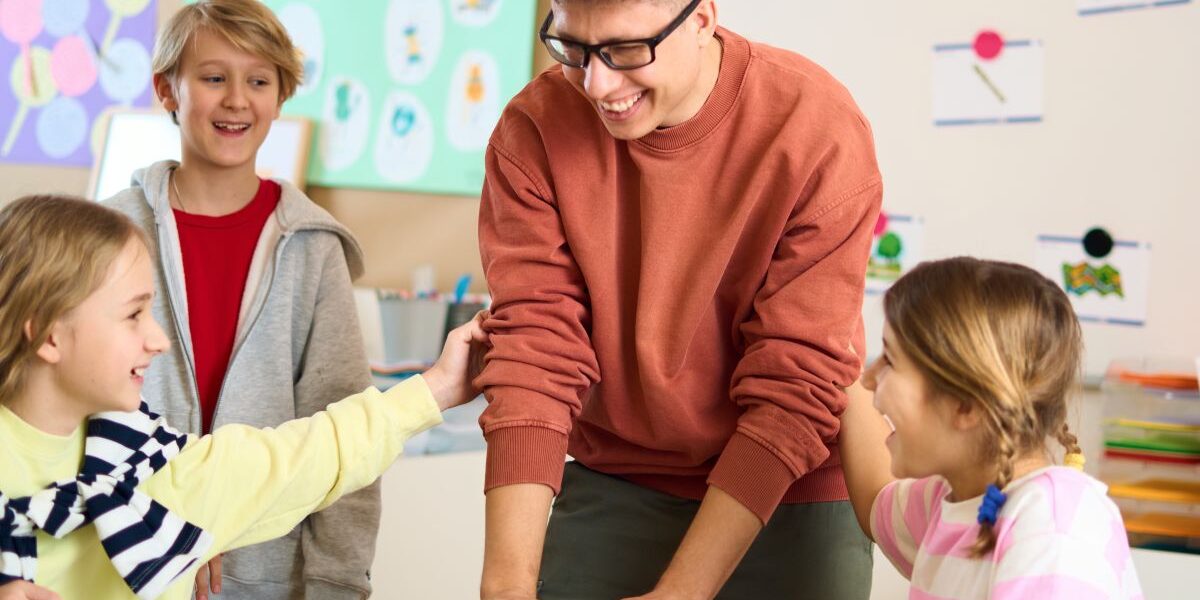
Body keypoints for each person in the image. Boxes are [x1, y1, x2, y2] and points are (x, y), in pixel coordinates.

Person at [476, 0, 883, 597]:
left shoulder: (817, 127)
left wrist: (681, 592)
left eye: (624, 50)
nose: (597, 84)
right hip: (619, 476)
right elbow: (536, 353)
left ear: (701, 19)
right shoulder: (533, 128)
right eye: (573, 48)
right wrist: (505, 585)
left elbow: (796, 382)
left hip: (789, 486)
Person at [0, 195, 485, 600]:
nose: (158, 340)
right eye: (133, 316)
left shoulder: (157, 467)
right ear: (48, 335)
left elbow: (311, 455)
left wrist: (439, 387)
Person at [103, 1, 377, 597]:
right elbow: (77, 412)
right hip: (126, 563)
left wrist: (337, 582)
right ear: (167, 89)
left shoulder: (314, 249)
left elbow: (346, 434)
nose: (236, 100)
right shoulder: (107, 235)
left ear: (281, 97)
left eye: (258, 81)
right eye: (213, 78)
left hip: (267, 576)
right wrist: (167, 523)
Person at [839, 257, 1144, 598]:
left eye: (890, 361)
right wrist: (837, 355)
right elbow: (877, 495)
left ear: (965, 404)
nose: (868, 378)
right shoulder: (956, 496)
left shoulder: (1052, 532)